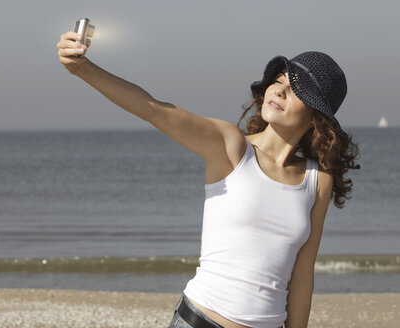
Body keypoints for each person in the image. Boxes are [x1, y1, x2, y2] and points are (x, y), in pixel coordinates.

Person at [56, 31, 360, 328]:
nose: (279, 90)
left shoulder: (317, 179)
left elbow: (303, 271)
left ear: (316, 114)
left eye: (297, 89)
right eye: (278, 81)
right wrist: (83, 69)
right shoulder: (232, 147)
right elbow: (152, 109)